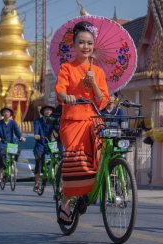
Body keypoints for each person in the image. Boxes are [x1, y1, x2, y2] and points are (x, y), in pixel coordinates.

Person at [55, 21, 109, 225]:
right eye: (81, 43)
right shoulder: (67, 68)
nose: (85, 47)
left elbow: (102, 101)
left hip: (94, 120)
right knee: (76, 162)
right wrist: (66, 96)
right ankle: (66, 203)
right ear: (74, 45)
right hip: (73, 121)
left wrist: (94, 82)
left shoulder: (99, 72)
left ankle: (93, 190)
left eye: (89, 43)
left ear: (93, 46)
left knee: (101, 155)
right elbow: (60, 91)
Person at [0, 106, 26, 183]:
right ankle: (0, 176)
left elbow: (17, 131)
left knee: (17, 150)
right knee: (2, 156)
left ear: (10, 114)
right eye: (4, 112)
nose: (6, 113)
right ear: (3, 114)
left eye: (7, 112)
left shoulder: (13, 122)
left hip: (11, 143)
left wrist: (21, 137)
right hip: (2, 143)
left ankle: (14, 164)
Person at [33, 105, 55, 191]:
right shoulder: (37, 121)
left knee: (58, 158)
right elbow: (36, 132)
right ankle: (37, 183)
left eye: (50, 110)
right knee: (39, 163)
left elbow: (57, 129)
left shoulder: (53, 121)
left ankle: (56, 174)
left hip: (51, 144)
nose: (48, 112)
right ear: (43, 112)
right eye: (46, 110)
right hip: (40, 145)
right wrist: (37, 135)